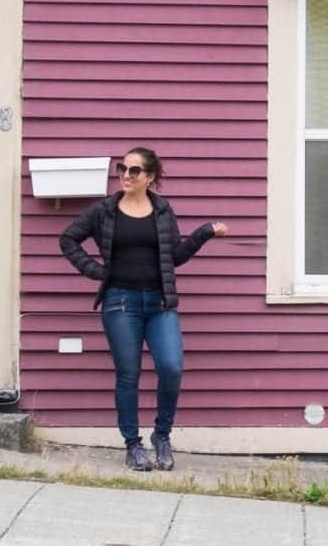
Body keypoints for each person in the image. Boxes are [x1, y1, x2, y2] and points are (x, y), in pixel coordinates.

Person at [59, 147, 226, 471]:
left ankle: (161, 435)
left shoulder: (163, 211)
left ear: (149, 177)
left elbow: (175, 256)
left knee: (172, 367)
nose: (125, 175)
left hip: (160, 302)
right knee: (128, 375)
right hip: (120, 302)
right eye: (122, 168)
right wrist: (96, 271)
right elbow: (68, 240)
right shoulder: (104, 211)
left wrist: (204, 233)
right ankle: (132, 445)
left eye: (134, 170)